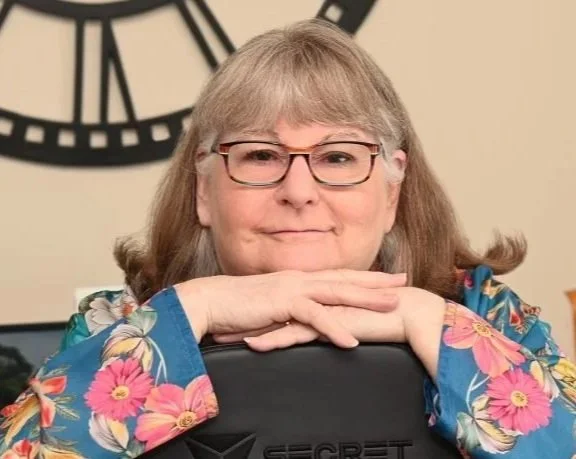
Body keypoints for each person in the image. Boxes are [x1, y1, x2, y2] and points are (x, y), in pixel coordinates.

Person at [1, 19, 574, 458]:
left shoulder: (485, 312)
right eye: (259, 155)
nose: (298, 191)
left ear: (392, 190)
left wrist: (425, 320)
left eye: (339, 156)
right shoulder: (122, 320)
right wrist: (198, 308)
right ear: (204, 190)